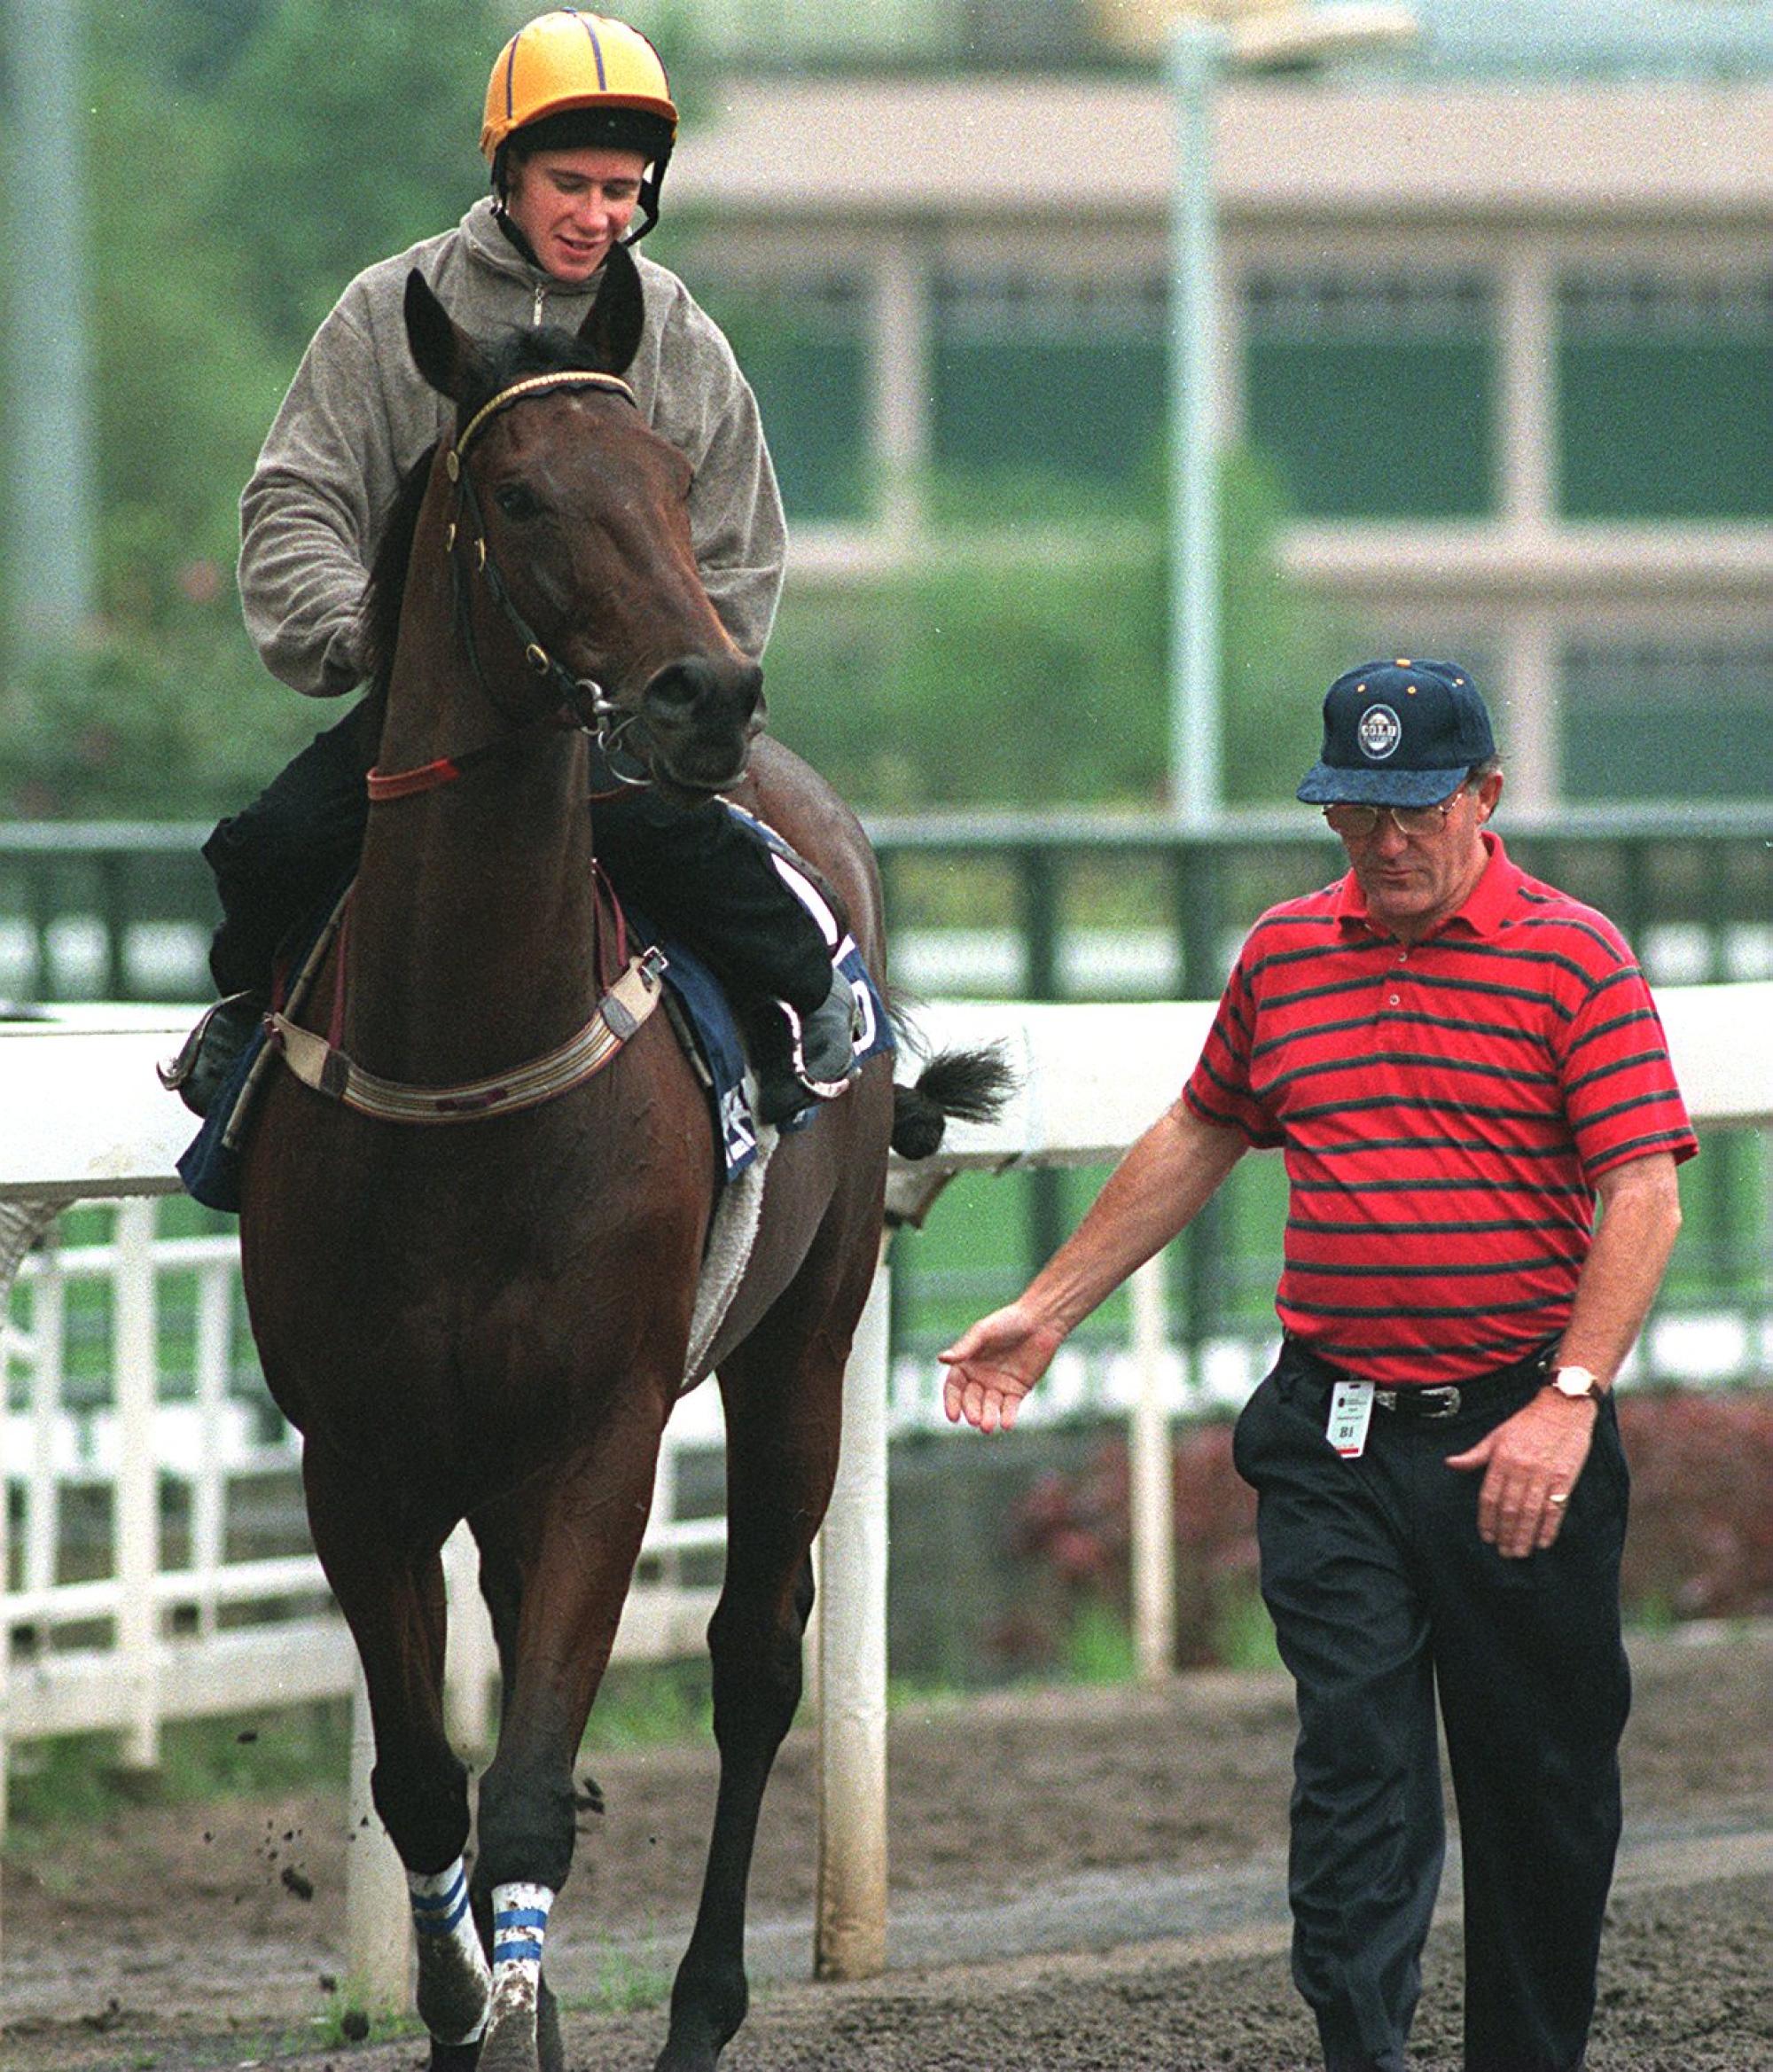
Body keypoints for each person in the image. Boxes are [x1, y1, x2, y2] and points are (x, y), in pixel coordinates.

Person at [940, 659, 1695, 2072]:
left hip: (1515, 1441)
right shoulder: (1288, 953)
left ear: (1484, 795)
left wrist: (1569, 1400)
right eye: (1355, 811)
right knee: (1357, 1774)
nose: (1384, 844)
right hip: (1334, 1437)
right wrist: (1046, 1310)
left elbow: (1641, 1191)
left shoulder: (1573, 956)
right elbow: (1201, 1126)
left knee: (1540, 1792)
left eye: (1415, 810)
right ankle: (1365, 2050)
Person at [175, 9, 856, 1126]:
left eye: (623, 189)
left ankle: (808, 1014)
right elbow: (298, 497)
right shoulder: (387, 314)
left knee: (689, 853)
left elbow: (733, 545)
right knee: (272, 849)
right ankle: (249, 1029)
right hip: (431, 721)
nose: (598, 216)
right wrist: (360, 635)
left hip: (612, 731)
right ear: (507, 172)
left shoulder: (677, 337)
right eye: (570, 184)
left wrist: (671, 689)